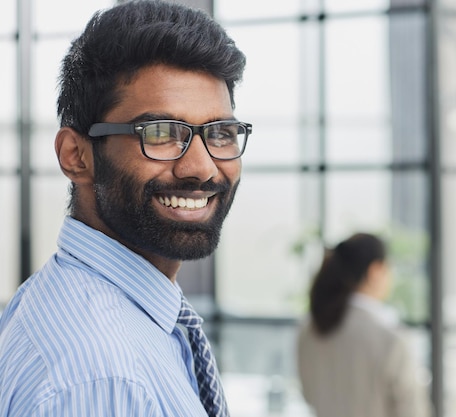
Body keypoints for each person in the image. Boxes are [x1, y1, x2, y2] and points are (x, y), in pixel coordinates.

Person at [0, 1, 249, 416]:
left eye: (221, 133)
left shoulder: (69, 302)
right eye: (161, 132)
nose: (202, 168)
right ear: (76, 155)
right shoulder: (103, 379)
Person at [297, 233, 431, 417]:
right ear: (375, 271)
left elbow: (308, 395)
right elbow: (412, 411)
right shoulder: (389, 338)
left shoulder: (309, 329)